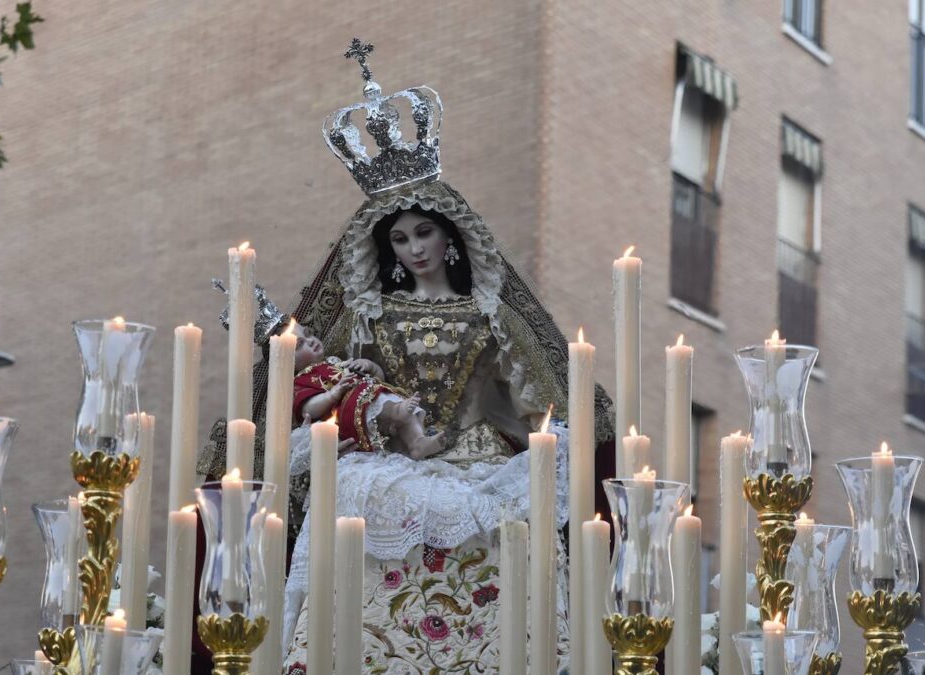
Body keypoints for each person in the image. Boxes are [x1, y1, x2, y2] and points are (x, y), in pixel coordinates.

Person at [199, 41, 616, 673]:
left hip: (478, 461)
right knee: (357, 516)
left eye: (423, 232)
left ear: (449, 236)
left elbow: (527, 397)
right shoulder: (371, 314)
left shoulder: (488, 314)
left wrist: (541, 431)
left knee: (514, 536)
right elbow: (331, 382)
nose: (414, 247)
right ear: (387, 249)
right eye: (400, 238)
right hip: (392, 465)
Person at [290, 319, 445, 459]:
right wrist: (332, 395)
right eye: (299, 344)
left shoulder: (334, 361)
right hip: (348, 412)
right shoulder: (301, 380)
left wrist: (369, 366)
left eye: (308, 334)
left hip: (370, 398)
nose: (310, 341)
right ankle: (398, 412)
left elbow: (378, 380)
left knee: (389, 398)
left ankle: (417, 443)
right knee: (385, 401)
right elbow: (307, 410)